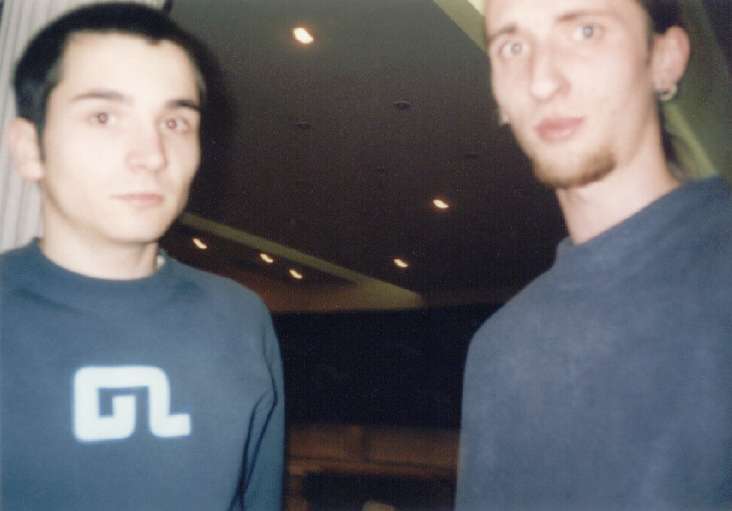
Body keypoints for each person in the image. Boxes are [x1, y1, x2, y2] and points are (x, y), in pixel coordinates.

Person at [0, 3, 284, 509]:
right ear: (28, 148)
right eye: (104, 117)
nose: (152, 155)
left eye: (175, 122)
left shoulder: (241, 319)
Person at [457, 0, 732, 509]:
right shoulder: (497, 351)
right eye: (512, 47)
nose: (541, 81)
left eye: (585, 31)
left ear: (665, 58)